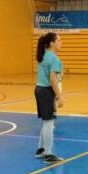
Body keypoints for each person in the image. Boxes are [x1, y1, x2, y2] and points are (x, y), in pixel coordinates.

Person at [34, 32, 64, 163]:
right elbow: (53, 80)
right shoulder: (54, 58)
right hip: (46, 91)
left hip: (39, 90)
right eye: (59, 40)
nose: (61, 43)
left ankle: (41, 149)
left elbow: (53, 77)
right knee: (49, 123)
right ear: (52, 43)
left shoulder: (43, 56)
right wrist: (60, 96)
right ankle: (48, 154)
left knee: (46, 122)